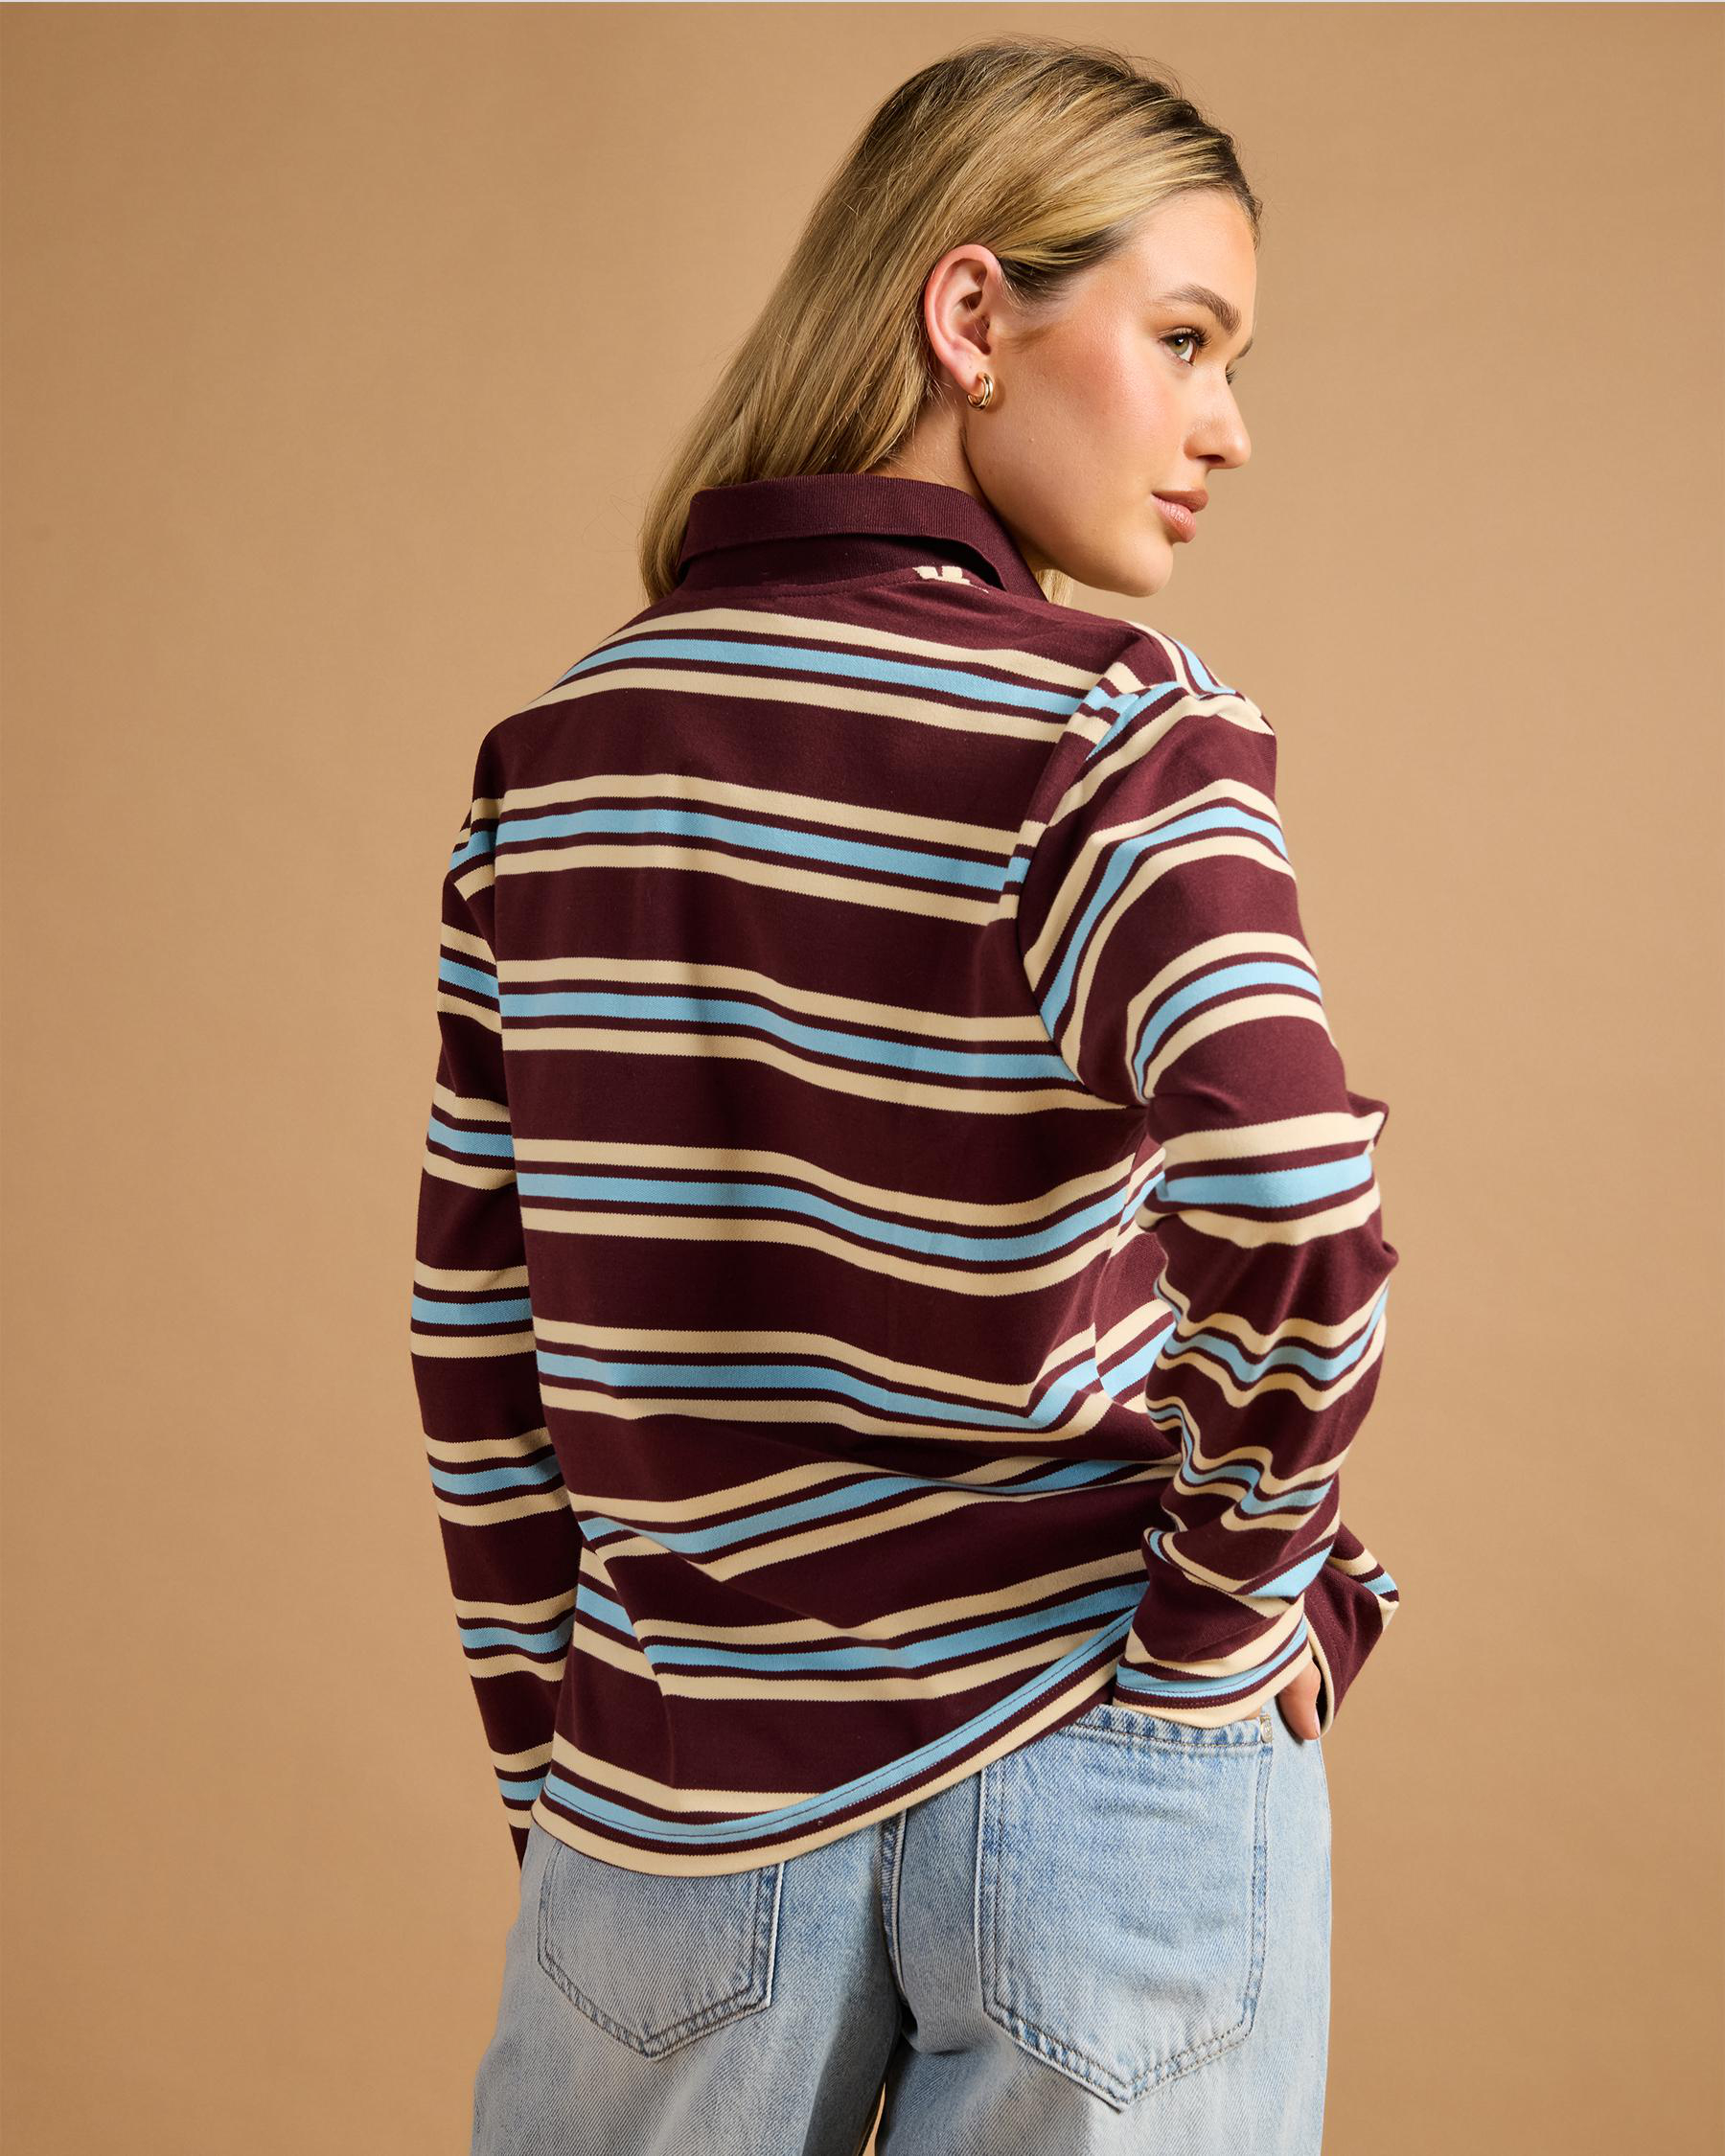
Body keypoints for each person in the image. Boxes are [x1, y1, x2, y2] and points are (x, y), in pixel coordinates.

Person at [408, 34, 1402, 2155]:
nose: (1227, 424)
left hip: (672, 1780)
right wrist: (1229, 1626)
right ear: (972, 317)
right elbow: (1302, 1213)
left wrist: (566, 1777)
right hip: (1096, 1732)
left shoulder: (554, 760)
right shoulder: (1112, 729)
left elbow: (480, 1347)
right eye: (1186, 338)